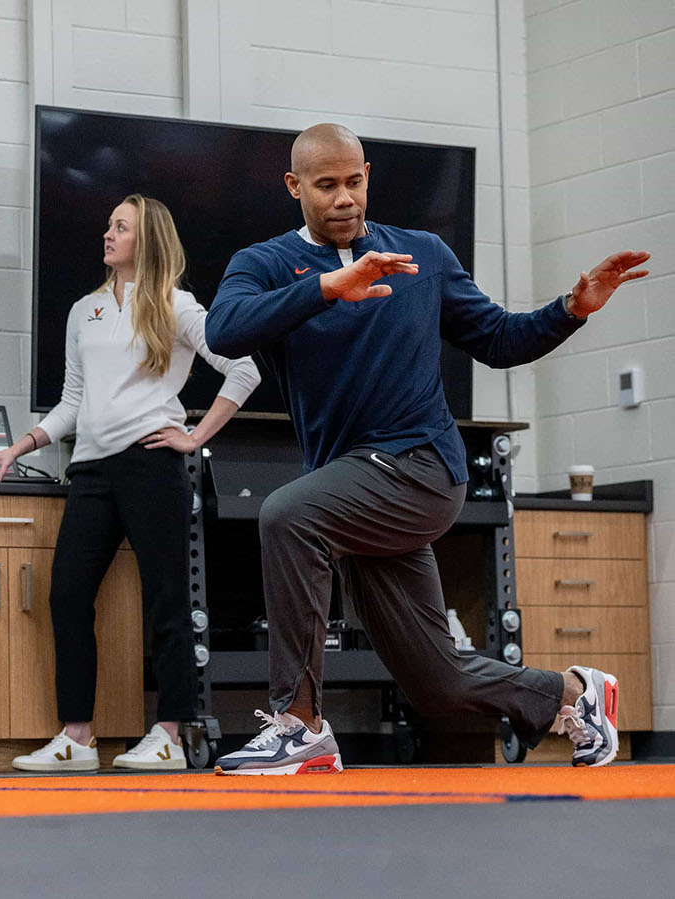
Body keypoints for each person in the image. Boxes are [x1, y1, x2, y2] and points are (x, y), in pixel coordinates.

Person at [204, 123, 650, 775]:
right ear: (295, 187)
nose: (344, 197)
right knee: (436, 682)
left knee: (287, 514)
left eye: (353, 181)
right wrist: (327, 288)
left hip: (421, 468)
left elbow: (497, 340)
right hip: (356, 487)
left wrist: (570, 309)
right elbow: (226, 329)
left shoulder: (422, 256)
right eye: (326, 185)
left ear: (367, 177)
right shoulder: (266, 264)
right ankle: (576, 697)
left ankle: (299, 726)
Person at [0, 194, 260, 771]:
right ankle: (77, 738)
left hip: (153, 465)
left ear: (144, 240)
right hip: (92, 471)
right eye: (108, 225)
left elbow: (244, 367)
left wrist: (195, 436)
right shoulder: (85, 310)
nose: (107, 234)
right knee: (67, 595)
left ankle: (170, 734)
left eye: (120, 227)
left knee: (167, 602)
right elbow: (73, 401)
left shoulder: (178, 307)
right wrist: (21, 446)